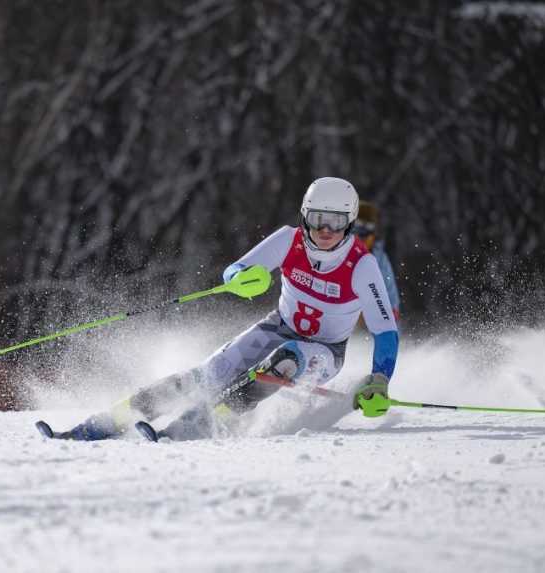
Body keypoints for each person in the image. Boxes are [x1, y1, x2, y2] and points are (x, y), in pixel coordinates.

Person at [36, 177, 400, 441]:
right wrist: (242, 277)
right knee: (209, 374)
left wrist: (380, 380)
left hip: (324, 351)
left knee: (283, 361)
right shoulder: (289, 240)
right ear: (305, 215)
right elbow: (235, 269)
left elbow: (385, 330)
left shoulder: (362, 265)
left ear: (349, 222)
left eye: (336, 221)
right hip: (277, 326)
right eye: (319, 217)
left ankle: (198, 425)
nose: (325, 229)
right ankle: (101, 424)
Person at [355, 201, 401, 321]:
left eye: (368, 226)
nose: (363, 233)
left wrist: (393, 310)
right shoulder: (339, 246)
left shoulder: (378, 257)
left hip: (367, 314)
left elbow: (389, 286)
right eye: (359, 224)